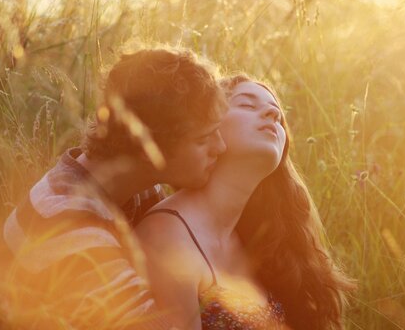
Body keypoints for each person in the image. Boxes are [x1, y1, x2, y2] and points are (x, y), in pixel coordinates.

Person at [0, 47, 227, 329]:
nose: (221, 146)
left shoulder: (135, 190)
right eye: (204, 138)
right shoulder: (69, 224)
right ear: (149, 147)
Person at [136, 75, 354, 330]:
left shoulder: (259, 238)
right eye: (248, 105)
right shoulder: (166, 238)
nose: (273, 112)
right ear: (208, 125)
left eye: (278, 116)